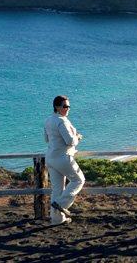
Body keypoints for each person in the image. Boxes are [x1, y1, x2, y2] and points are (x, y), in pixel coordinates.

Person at [43, 95, 85, 225]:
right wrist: (77, 137)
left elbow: (46, 139)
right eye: (64, 106)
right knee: (79, 180)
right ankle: (62, 204)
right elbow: (70, 141)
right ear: (57, 107)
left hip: (50, 158)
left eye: (68, 106)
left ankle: (57, 219)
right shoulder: (62, 121)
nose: (67, 108)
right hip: (62, 157)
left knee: (57, 190)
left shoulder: (48, 120)